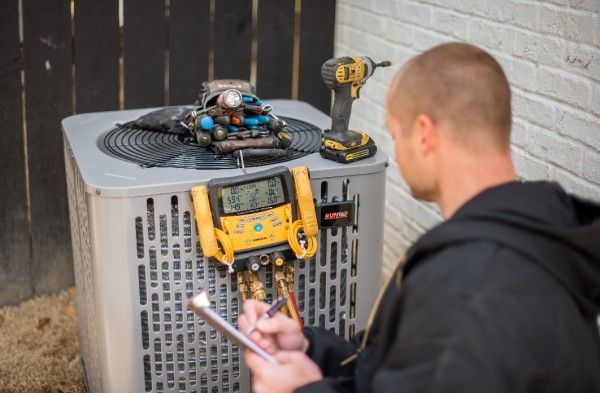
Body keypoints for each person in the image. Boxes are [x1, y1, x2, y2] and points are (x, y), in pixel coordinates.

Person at [238, 42, 600, 393]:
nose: (395, 150)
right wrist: (309, 348)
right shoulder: (533, 237)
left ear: (425, 135)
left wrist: (303, 389)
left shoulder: (468, 290)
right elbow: (404, 371)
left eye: (396, 134)